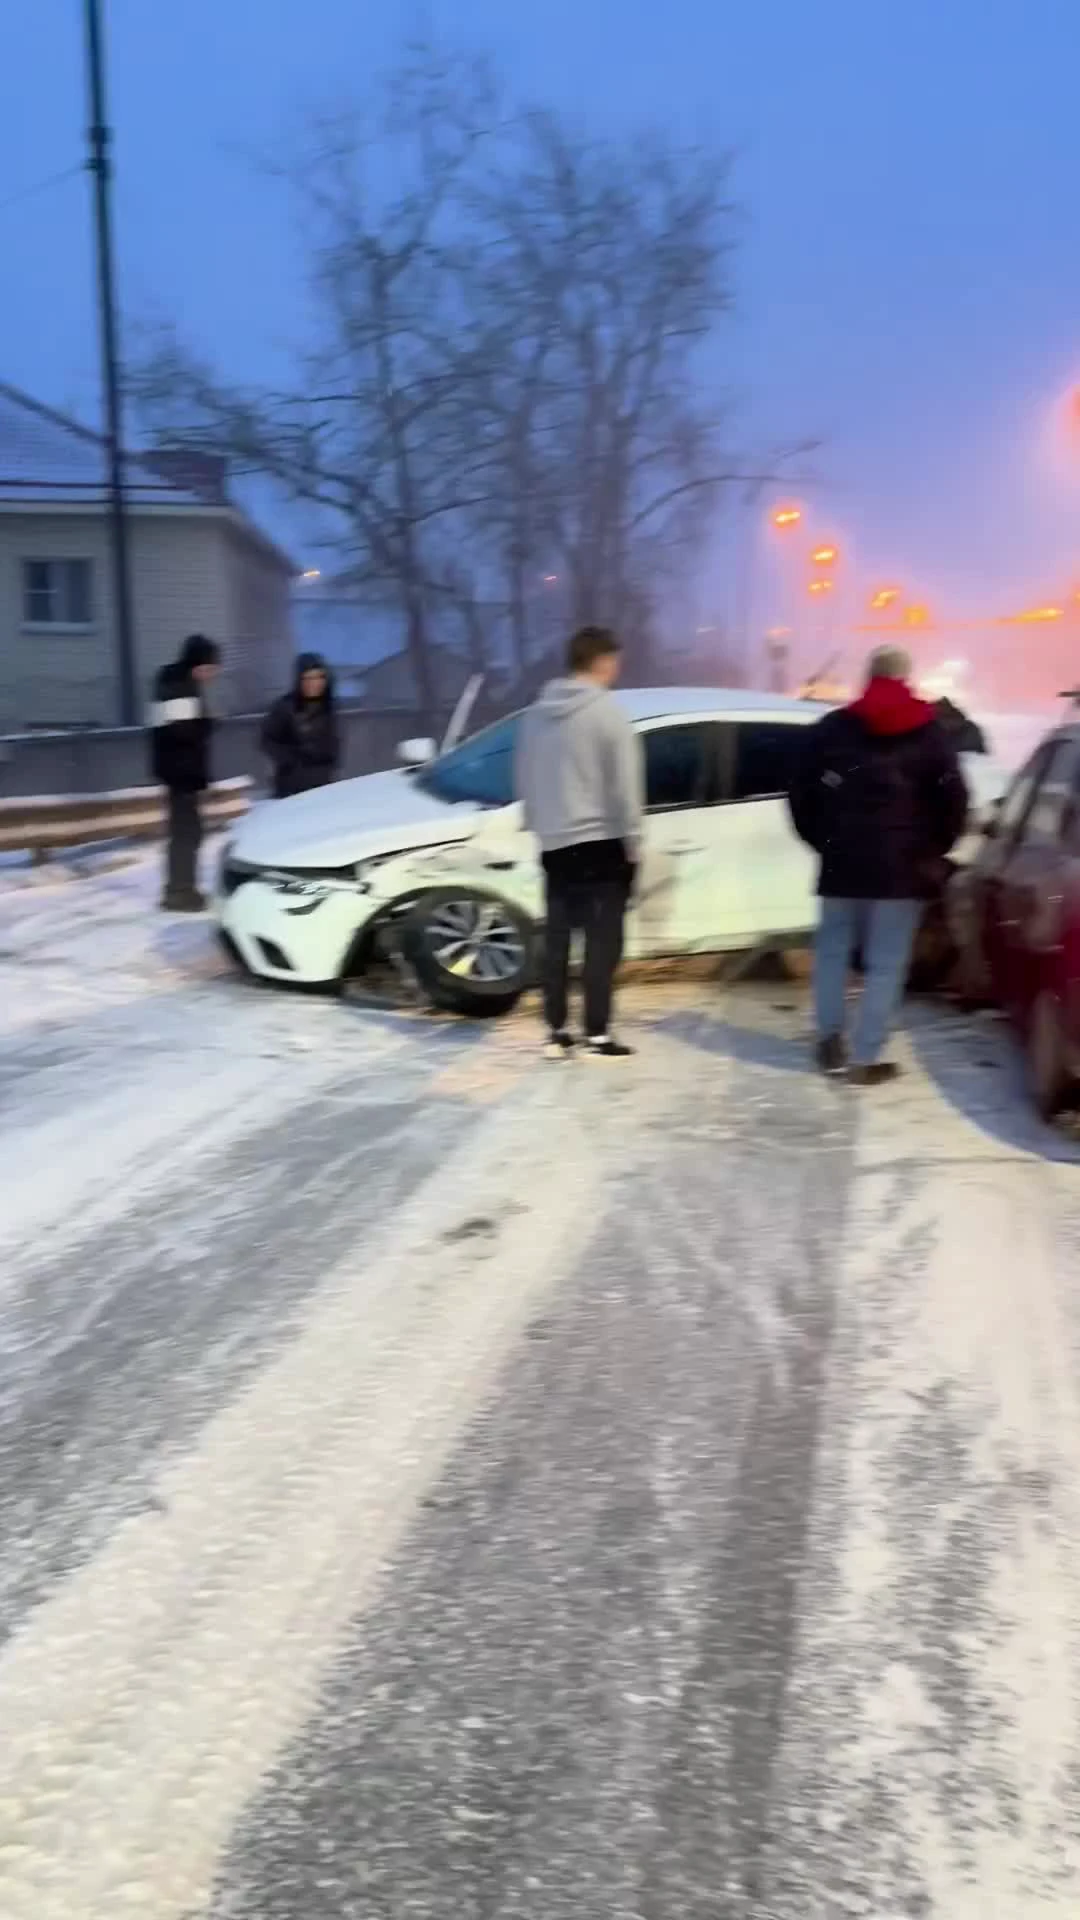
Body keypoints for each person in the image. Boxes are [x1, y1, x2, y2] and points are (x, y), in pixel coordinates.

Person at [788, 644, 969, 1086]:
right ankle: (865, 1057)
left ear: (868, 677)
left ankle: (830, 1040)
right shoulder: (930, 734)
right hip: (902, 871)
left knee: (832, 954)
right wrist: (933, 849)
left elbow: (799, 792)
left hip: (841, 863)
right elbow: (954, 800)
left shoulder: (832, 729)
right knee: (886, 963)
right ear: (906, 678)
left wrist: (823, 842)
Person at [516, 625, 643, 1060]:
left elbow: (524, 774)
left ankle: (555, 1028)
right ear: (603, 661)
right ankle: (598, 1031)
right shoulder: (607, 713)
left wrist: (538, 824)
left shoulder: (535, 714)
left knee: (557, 939)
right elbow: (626, 787)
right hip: (602, 842)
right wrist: (633, 840)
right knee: (602, 941)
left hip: (554, 842)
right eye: (615, 661)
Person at [149, 634, 221, 912]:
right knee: (186, 833)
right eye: (210, 667)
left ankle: (180, 888)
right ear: (196, 662)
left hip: (179, 771)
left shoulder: (177, 681)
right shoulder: (178, 684)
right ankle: (179, 892)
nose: (212, 674)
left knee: (187, 832)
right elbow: (182, 732)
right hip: (180, 773)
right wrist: (208, 724)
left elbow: (176, 729)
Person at [261, 653, 340, 800]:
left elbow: (334, 743)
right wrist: (291, 758)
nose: (314, 683)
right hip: (291, 787)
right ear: (299, 680)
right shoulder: (285, 706)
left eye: (319, 677)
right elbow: (267, 740)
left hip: (323, 785)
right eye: (308, 678)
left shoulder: (329, 707)